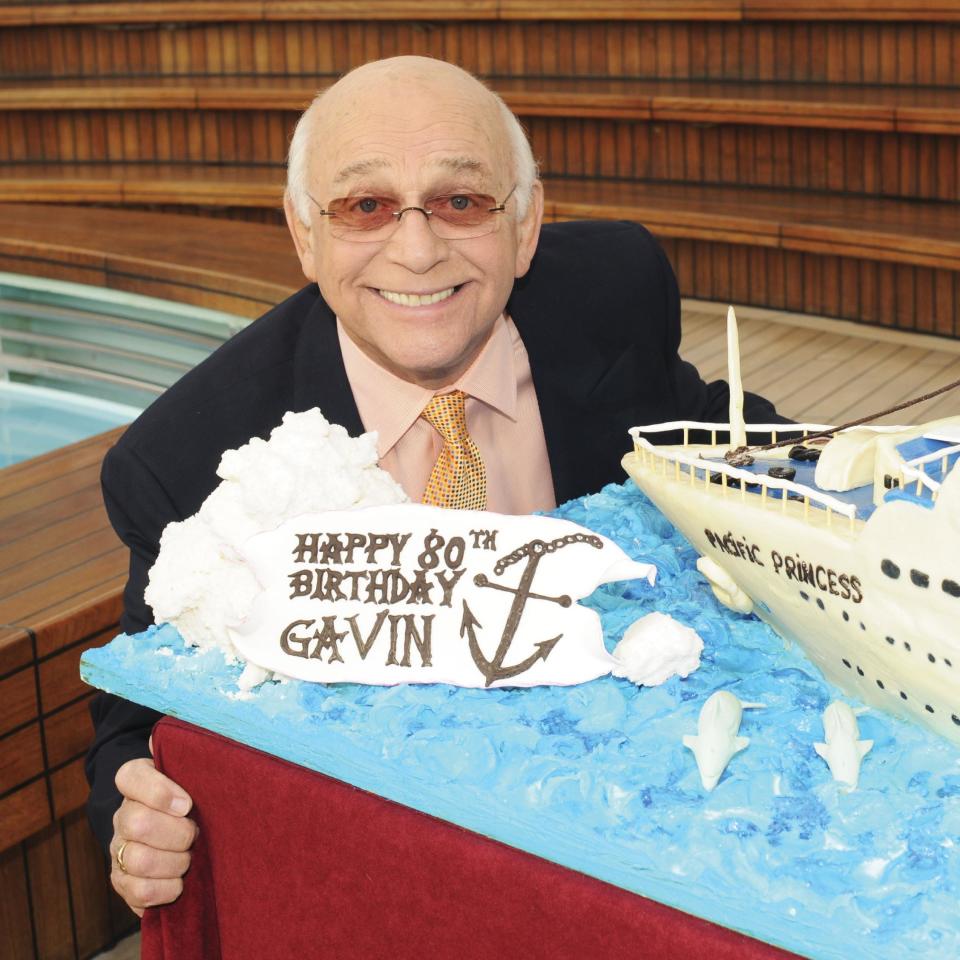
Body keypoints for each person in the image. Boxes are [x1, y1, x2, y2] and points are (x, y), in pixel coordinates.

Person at [86, 55, 783, 915]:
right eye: (365, 206)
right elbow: (134, 715)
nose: (416, 251)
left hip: (641, 814)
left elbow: (724, 436)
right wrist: (132, 808)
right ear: (306, 235)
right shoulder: (190, 456)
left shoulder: (612, 290)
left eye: (461, 202)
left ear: (525, 225)